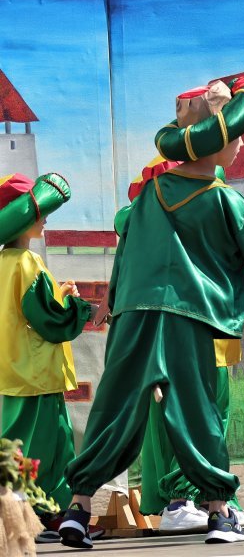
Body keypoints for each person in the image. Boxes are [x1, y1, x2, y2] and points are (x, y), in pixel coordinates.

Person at [58, 77, 244, 548]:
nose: (240, 144)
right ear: (215, 146)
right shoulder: (222, 198)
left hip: (135, 320)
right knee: (198, 412)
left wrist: (115, 304)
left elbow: (128, 250)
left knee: (115, 408)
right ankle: (219, 513)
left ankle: (78, 508)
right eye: (235, 136)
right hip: (189, 319)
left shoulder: (149, 195)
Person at [0, 172, 104, 542]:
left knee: (16, 445)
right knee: (44, 447)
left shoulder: (5, 264)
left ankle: (43, 516)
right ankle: (44, 516)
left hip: (12, 374)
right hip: (36, 376)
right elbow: (48, 319)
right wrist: (77, 308)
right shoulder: (26, 262)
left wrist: (58, 294)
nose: (45, 217)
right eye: (40, 211)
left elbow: (23, 311)